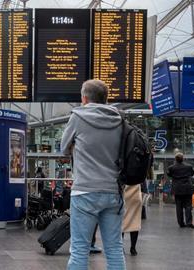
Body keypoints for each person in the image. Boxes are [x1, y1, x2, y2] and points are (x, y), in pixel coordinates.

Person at [61, 79, 125, 270]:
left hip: (85, 192)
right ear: (105, 98)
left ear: (85, 98)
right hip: (114, 192)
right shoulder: (120, 118)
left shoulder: (78, 117)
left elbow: (64, 148)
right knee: (114, 249)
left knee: (80, 249)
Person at [167, 152, 194, 228]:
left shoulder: (171, 167)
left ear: (175, 159)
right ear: (183, 158)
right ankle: (189, 222)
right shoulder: (189, 166)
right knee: (188, 206)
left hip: (177, 189)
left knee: (178, 207)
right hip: (187, 188)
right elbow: (192, 173)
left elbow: (169, 175)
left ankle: (181, 223)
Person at [122, 184, 142, 256]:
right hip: (136, 193)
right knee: (135, 221)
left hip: (124, 191)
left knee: (122, 221)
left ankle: (120, 247)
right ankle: (133, 248)